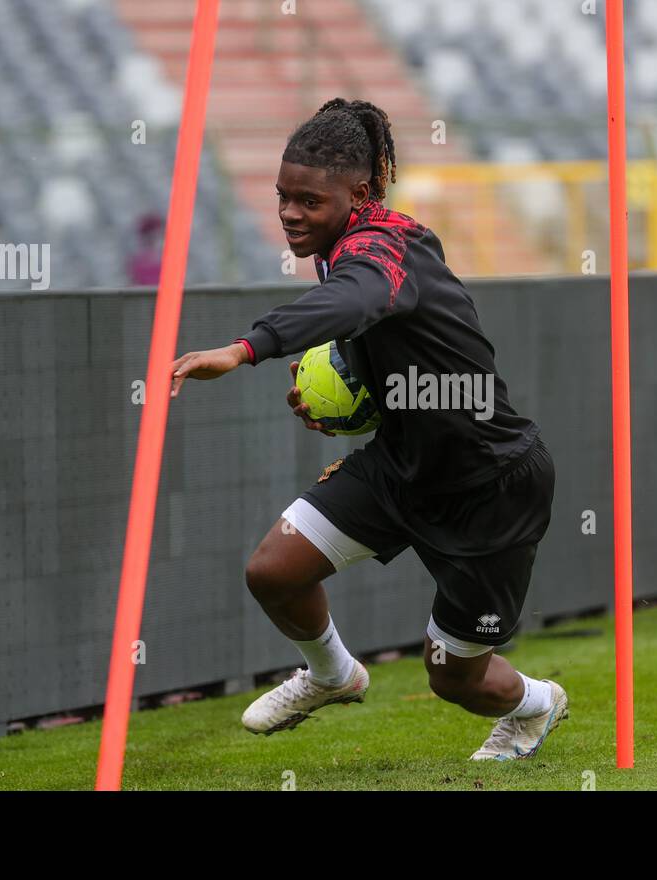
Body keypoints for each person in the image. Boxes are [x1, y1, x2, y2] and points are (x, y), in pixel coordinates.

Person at [169, 98, 567, 760]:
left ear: (359, 193)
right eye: (281, 197)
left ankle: (536, 703)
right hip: (402, 466)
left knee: (454, 679)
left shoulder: (386, 247)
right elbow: (383, 340)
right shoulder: (340, 248)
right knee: (273, 571)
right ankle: (332, 675)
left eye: (308, 201)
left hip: (489, 484)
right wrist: (347, 402)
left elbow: (357, 298)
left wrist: (245, 349)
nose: (290, 214)